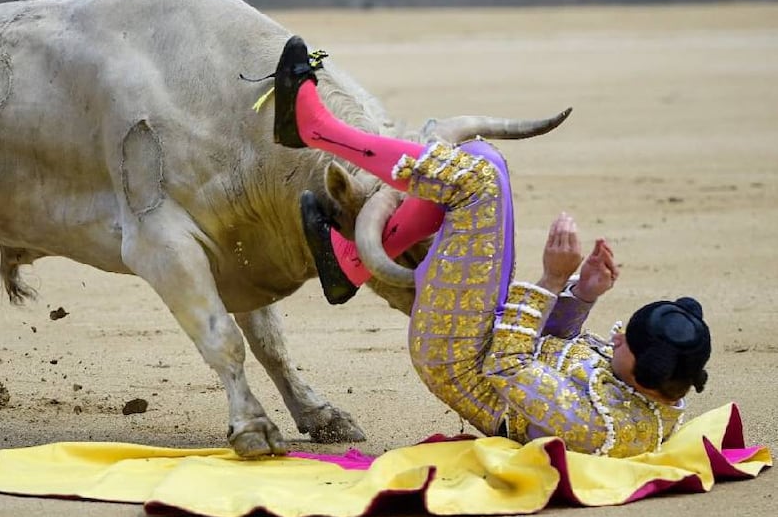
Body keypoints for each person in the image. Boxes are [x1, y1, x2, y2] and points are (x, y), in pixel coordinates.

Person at [271, 35, 711, 457]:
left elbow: (508, 364)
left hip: (460, 360)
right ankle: (349, 263)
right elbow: (558, 345)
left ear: (645, 372)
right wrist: (583, 294)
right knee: (485, 160)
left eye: (624, 344)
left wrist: (552, 279)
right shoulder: (655, 387)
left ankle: (318, 130)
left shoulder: (595, 427)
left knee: (475, 182)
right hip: (490, 337)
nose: (616, 339)